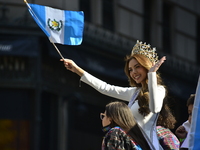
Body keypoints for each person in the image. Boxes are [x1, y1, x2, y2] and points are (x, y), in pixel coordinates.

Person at [60, 40, 175, 149]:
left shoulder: (159, 90)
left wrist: (152, 75)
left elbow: (155, 108)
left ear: (146, 67)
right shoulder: (134, 93)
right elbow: (106, 88)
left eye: (137, 67)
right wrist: (76, 69)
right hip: (131, 143)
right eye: (130, 69)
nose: (133, 72)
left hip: (147, 146)